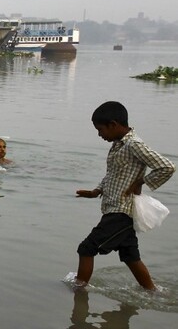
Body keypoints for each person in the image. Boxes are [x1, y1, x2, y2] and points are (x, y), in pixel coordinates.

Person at [73, 101, 174, 290]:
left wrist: (141, 182)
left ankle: (78, 291)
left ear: (113, 124)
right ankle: (153, 292)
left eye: (100, 129)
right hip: (114, 208)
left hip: (122, 212)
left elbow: (167, 166)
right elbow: (113, 174)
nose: (99, 134)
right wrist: (96, 191)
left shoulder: (134, 144)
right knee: (130, 256)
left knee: (86, 248)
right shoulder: (118, 145)